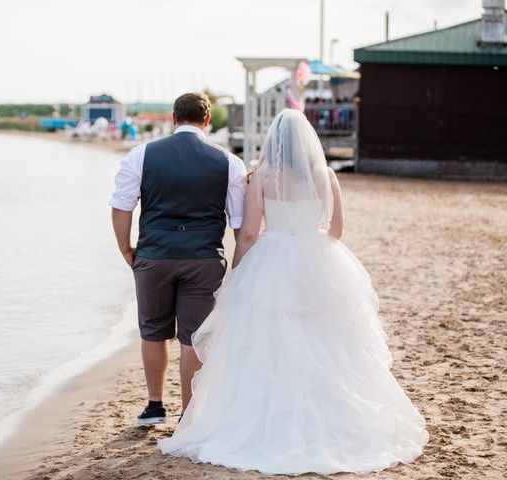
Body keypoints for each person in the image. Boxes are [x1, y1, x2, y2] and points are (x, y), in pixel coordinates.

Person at [158, 109, 429, 476]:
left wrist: (239, 270)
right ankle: (328, 415)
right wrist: (310, 242)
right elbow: (336, 229)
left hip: (272, 259)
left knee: (269, 339)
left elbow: (250, 232)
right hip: (318, 259)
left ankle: (267, 415)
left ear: (274, 140)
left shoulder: (264, 176)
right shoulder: (326, 175)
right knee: (325, 339)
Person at [109, 93, 247, 425]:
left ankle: (155, 406)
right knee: (193, 336)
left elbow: (121, 206)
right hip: (203, 259)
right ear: (207, 119)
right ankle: (189, 413)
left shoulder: (141, 155)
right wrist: (238, 264)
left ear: (173, 118)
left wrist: (125, 248)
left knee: (153, 332)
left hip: (154, 255)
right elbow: (239, 222)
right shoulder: (228, 162)